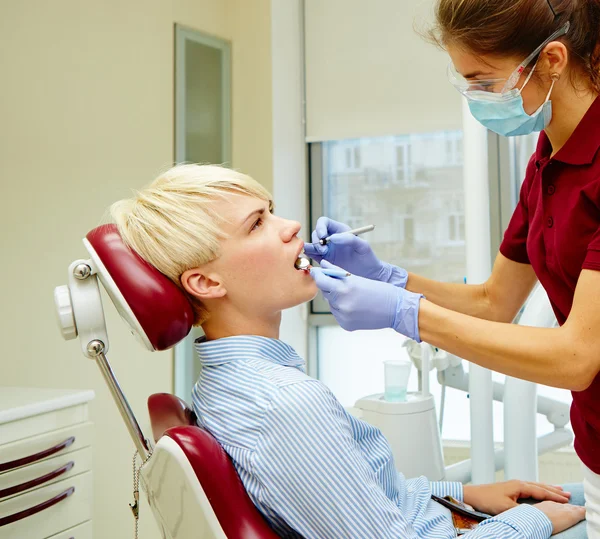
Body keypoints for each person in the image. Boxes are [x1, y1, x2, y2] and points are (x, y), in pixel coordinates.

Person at [111, 164, 585, 538]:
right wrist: (533, 523)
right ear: (206, 282)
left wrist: (463, 493)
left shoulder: (225, 385)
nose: (290, 225)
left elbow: (363, 496)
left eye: (271, 210)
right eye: (257, 224)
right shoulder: (285, 404)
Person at [304, 0, 600, 536]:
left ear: (551, 59)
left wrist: (404, 313)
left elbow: (578, 357)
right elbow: (494, 301)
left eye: (484, 82)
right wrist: (390, 279)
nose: (476, 99)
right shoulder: (549, 157)